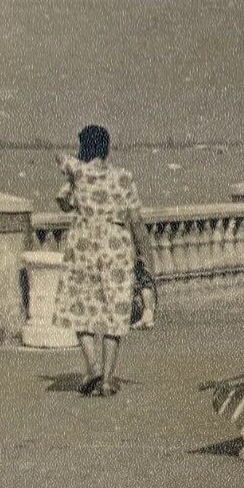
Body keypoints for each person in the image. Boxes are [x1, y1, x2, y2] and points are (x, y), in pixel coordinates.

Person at [52, 125, 157, 396]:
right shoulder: (124, 177)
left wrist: (75, 166)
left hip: (84, 246)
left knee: (81, 308)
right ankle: (108, 378)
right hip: (116, 245)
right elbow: (136, 221)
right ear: (107, 147)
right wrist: (146, 257)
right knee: (115, 311)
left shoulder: (79, 173)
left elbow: (63, 191)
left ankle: (93, 367)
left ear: (85, 147)